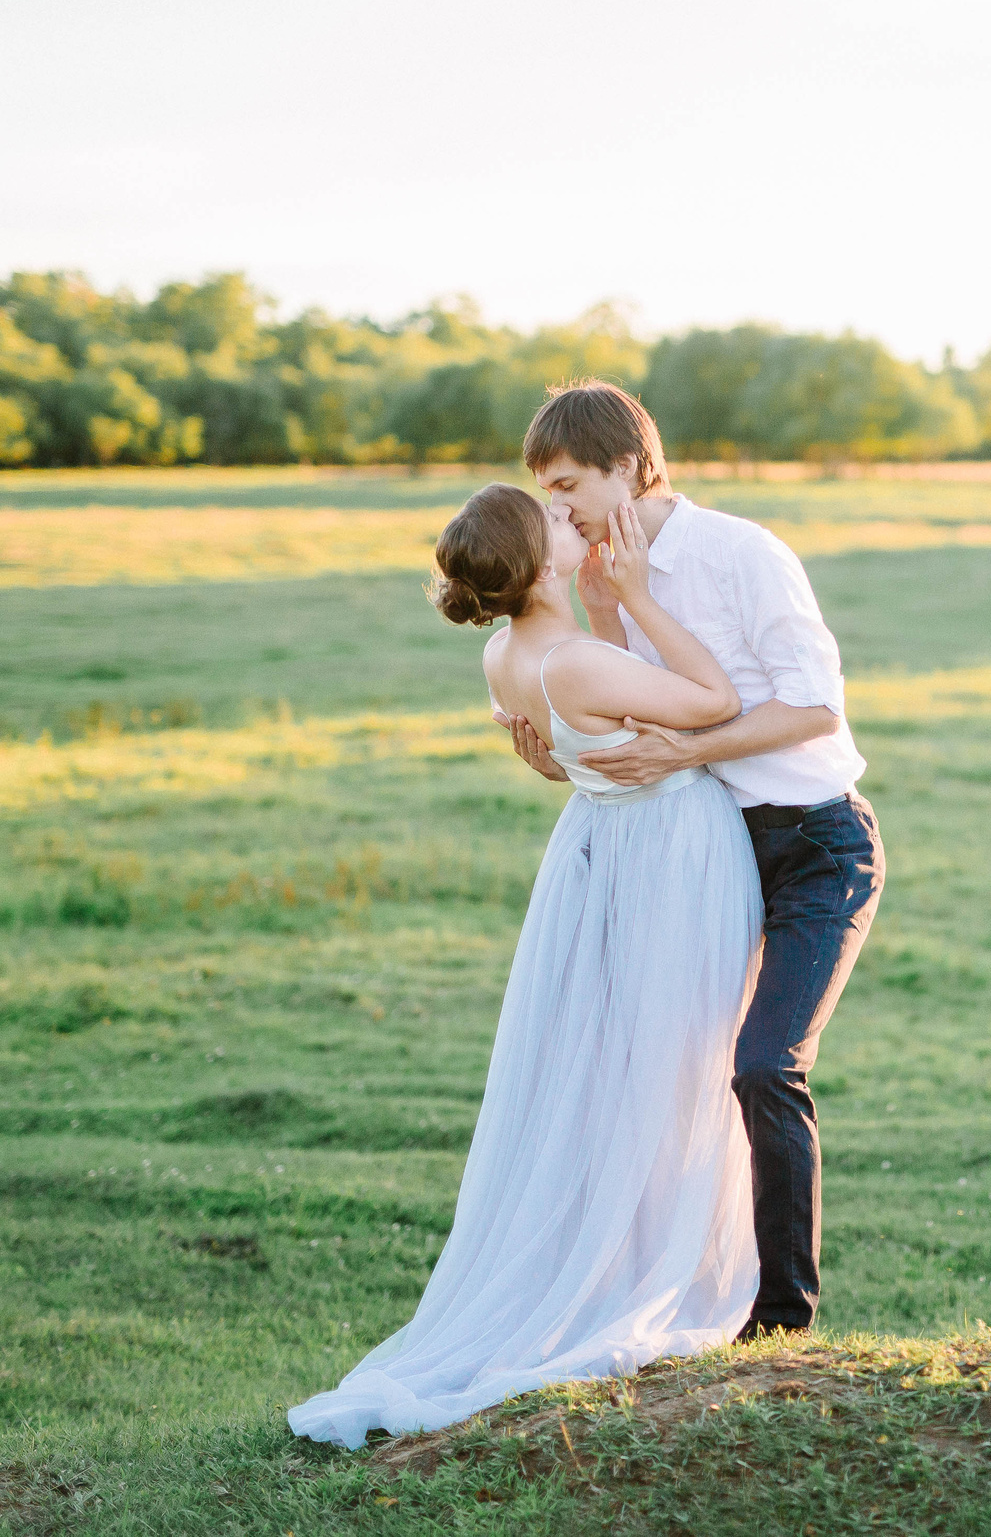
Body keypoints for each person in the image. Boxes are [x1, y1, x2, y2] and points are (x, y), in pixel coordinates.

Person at [288, 482, 763, 1450]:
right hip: (668, 858)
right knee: (679, 1063)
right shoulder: (581, 659)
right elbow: (716, 698)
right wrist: (633, 595)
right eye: (552, 520)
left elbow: (570, 747)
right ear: (539, 561)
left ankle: (621, 1248)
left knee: (618, 1067)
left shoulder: (502, 653)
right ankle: (647, 1269)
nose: (570, 519)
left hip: (601, 853)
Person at [505, 381, 883, 1339]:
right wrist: (564, 748)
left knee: (764, 1065)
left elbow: (813, 707)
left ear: (630, 466)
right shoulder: (601, 578)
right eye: (544, 495)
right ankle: (658, 1289)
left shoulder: (742, 553)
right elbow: (644, 727)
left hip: (814, 846)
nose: (557, 511)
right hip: (711, 851)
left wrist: (687, 748)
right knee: (653, 1069)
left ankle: (783, 1319)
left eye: (566, 485)